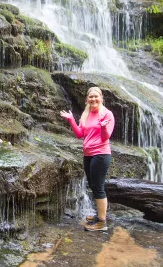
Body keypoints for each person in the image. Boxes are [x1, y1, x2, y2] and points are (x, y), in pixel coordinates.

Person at [59, 87, 115, 232]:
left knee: (98, 186)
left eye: (96, 96)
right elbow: (79, 134)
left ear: (101, 98)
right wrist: (71, 120)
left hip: (101, 154)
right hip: (88, 154)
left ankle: (102, 222)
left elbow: (105, 137)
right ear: (87, 99)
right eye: (91, 97)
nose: (93, 99)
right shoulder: (86, 114)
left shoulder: (107, 114)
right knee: (92, 184)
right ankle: (99, 215)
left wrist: (103, 127)